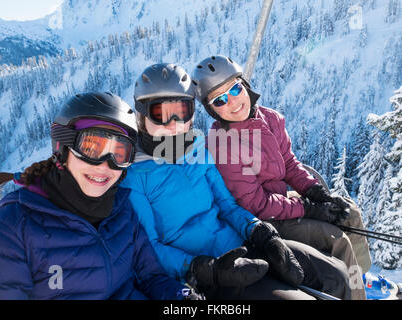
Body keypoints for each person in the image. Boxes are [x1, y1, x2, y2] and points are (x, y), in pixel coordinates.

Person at [122, 63, 353, 300]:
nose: (173, 124)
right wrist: (202, 269)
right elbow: (149, 248)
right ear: (142, 116)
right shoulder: (134, 176)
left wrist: (259, 231)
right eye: (160, 113)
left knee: (336, 275)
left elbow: (228, 205)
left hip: (241, 246)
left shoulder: (197, 149)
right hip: (208, 275)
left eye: (181, 111)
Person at [0, 91, 199, 300]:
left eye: (119, 153)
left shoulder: (121, 209)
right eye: (92, 147)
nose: (105, 164)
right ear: (63, 148)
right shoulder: (9, 231)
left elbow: (151, 277)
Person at [192, 55, 372, 300]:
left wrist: (313, 191)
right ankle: (354, 293)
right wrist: (308, 208)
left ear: (244, 84)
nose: (233, 102)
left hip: (280, 200)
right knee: (336, 239)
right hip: (264, 220)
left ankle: (358, 279)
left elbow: (289, 164)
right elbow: (256, 204)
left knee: (347, 212)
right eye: (220, 99)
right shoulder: (224, 145)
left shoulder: (270, 118)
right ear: (211, 110)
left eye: (235, 88)